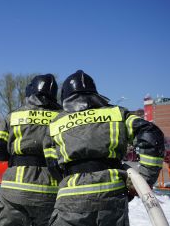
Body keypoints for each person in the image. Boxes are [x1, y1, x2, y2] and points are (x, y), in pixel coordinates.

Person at [43, 70, 165, 226]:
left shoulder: (55, 123)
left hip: (71, 200)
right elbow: (150, 134)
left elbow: (52, 165)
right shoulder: (117, 113)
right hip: (111, 198)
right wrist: (146, 178)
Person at [0, 74, 62, 226]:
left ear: (31, 91)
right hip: (50, 193)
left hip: (14, 193)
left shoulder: (13, 117)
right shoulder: (62, 118)